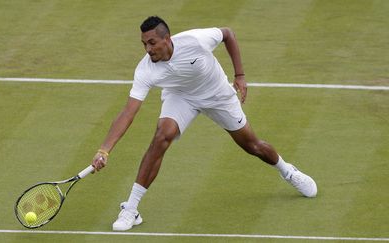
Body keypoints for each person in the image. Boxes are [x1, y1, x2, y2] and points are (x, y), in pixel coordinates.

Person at [91, 16, 317, 231]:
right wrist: (104, 150)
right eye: (144, 44)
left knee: (253, 145)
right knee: (161, 137)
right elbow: (128, 112)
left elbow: (228, 34)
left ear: (167, 39)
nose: (148, 50)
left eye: (152, 43)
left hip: (217, 95)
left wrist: (239, 75)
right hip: (181, 97)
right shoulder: (145, 69)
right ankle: (131, 209)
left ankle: (287, 171)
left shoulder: (195, 40)